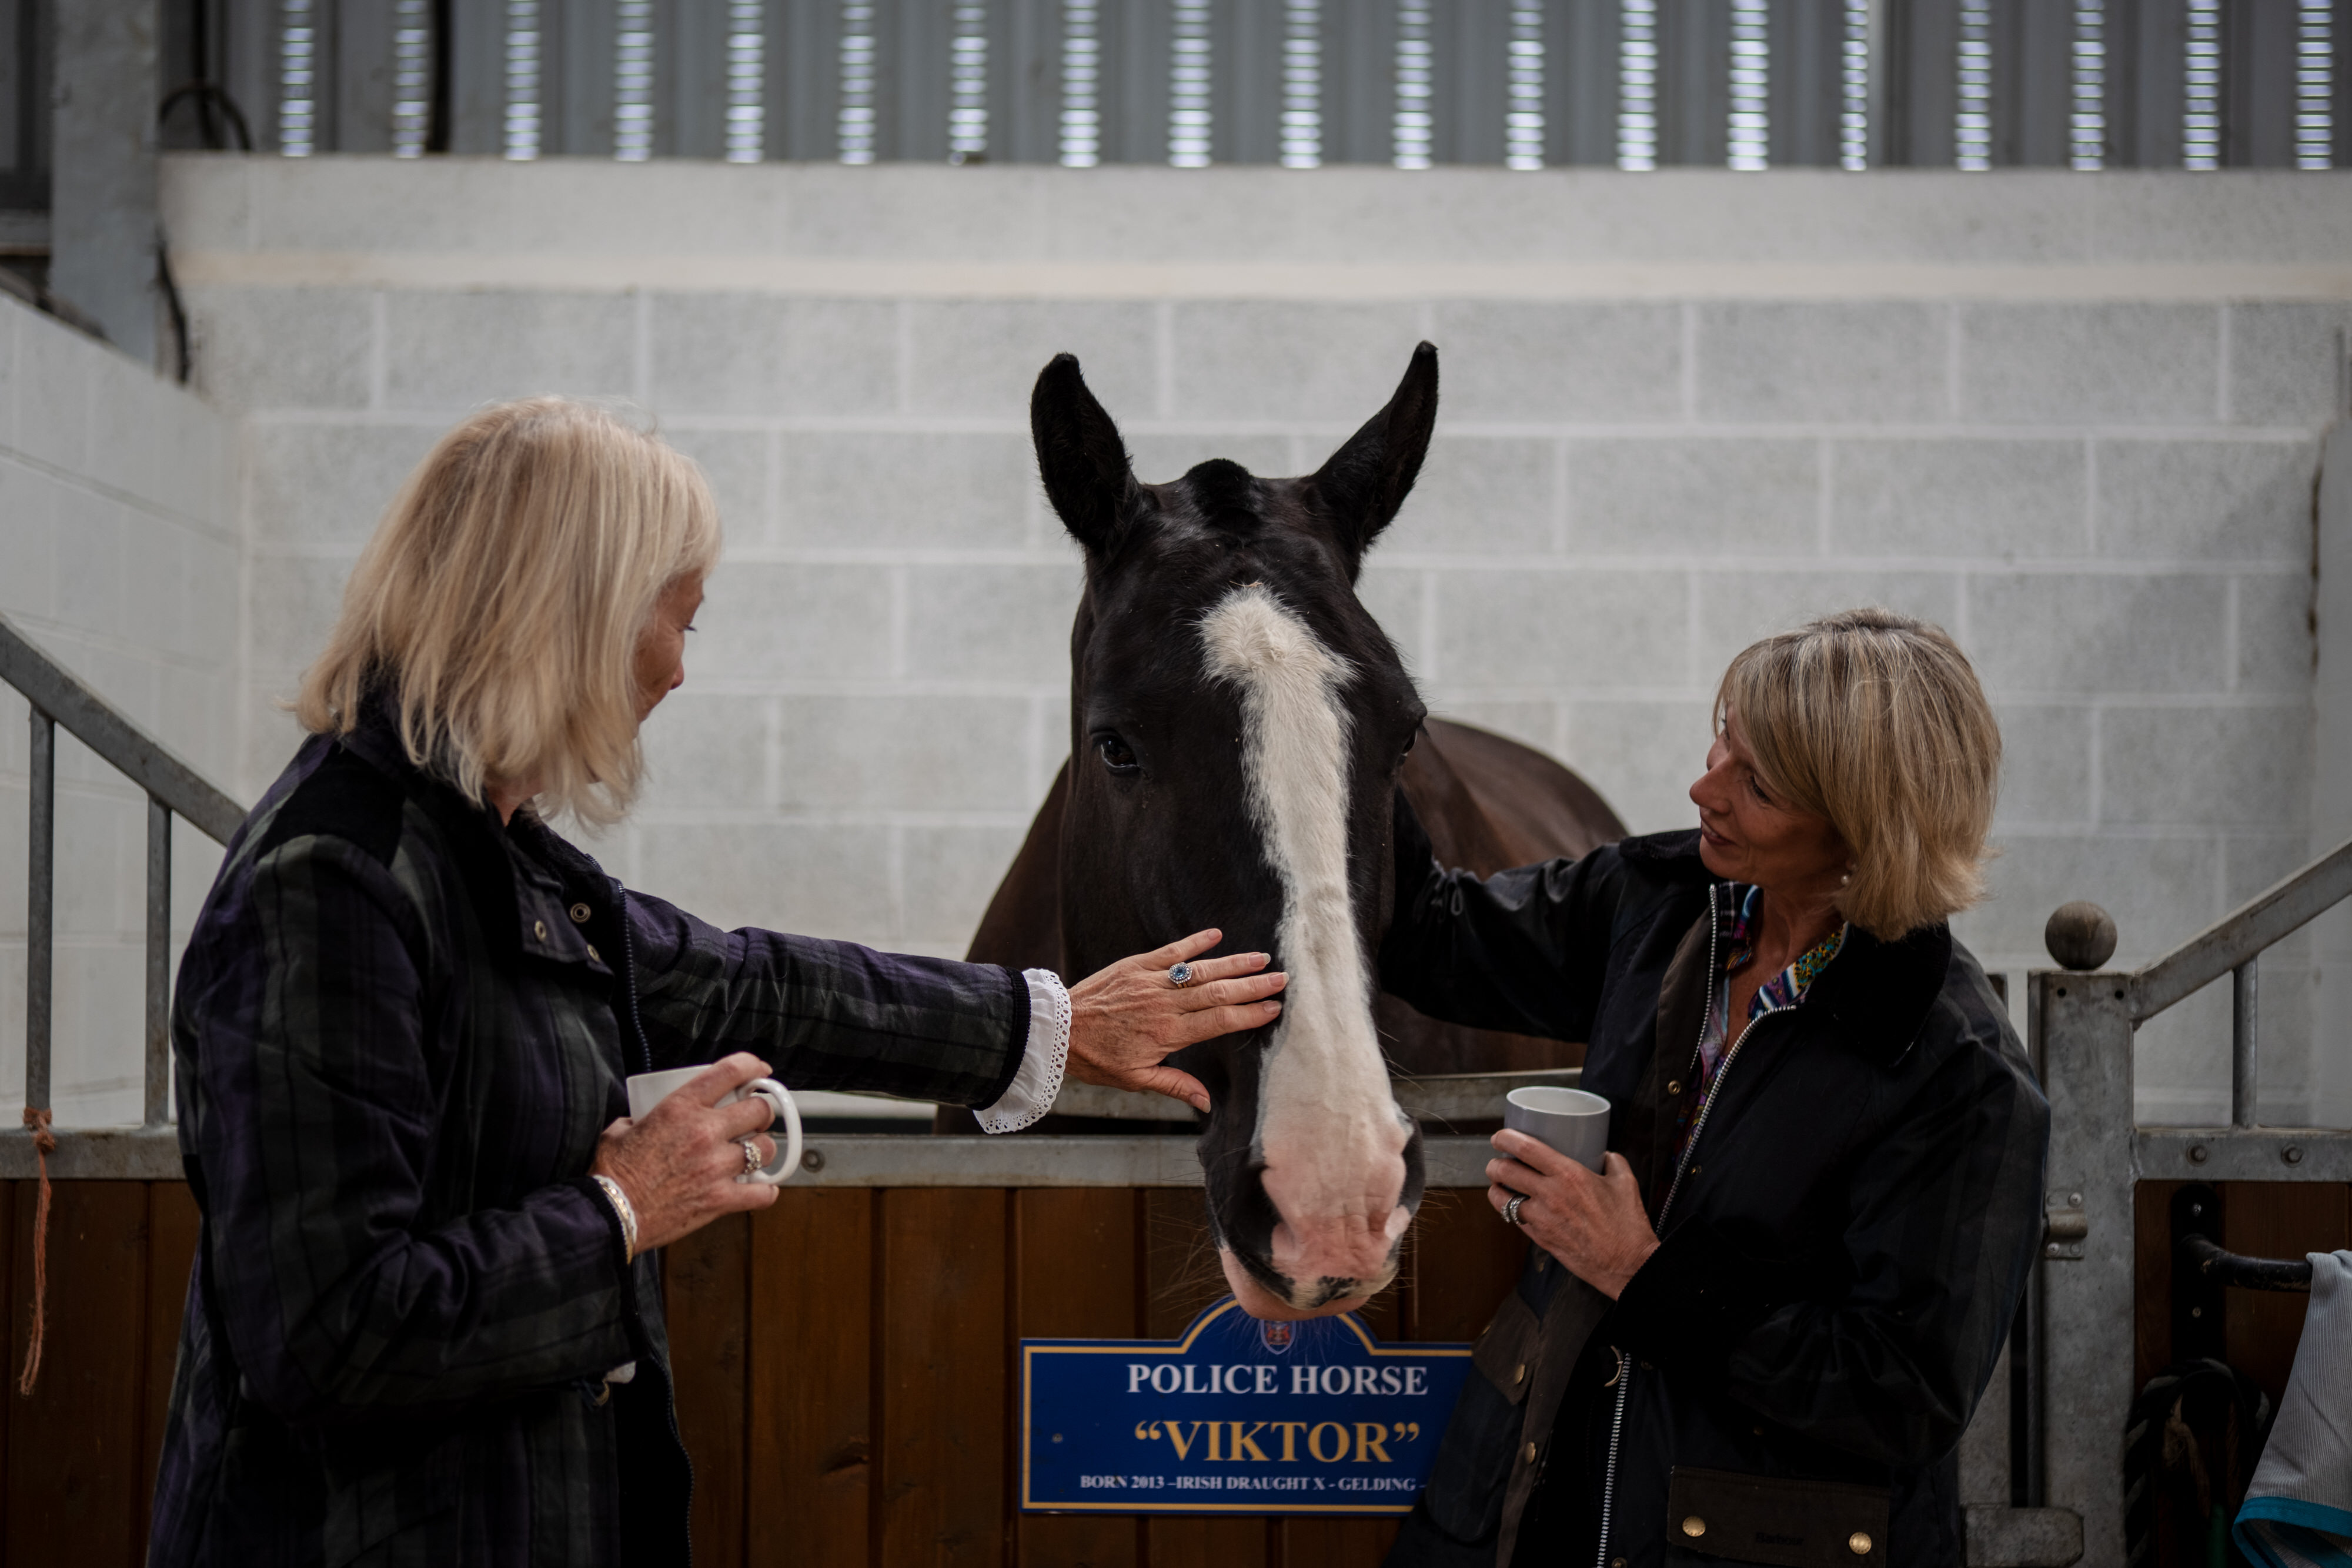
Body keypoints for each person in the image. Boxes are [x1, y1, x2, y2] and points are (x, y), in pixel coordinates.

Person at [146, 398, 1285, 1568]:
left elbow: (740, 981)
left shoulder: (477, 844)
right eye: (677, 620)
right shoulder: (336, 882)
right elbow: (330, 1334)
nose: (680, 671)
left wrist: (1048, 1023)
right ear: (575, 617)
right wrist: (619, 1207)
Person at [1381, 609, 2049, 1568]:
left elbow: (1898, 1394)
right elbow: (1432, 934)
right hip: (1528, 1506)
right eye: (1722, 740)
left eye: (1759, 782)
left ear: (1866, 821)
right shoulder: (1659, 908)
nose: (1704, 787)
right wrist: (1359, 715)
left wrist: (1638, 1271)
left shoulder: (1958, 1072)